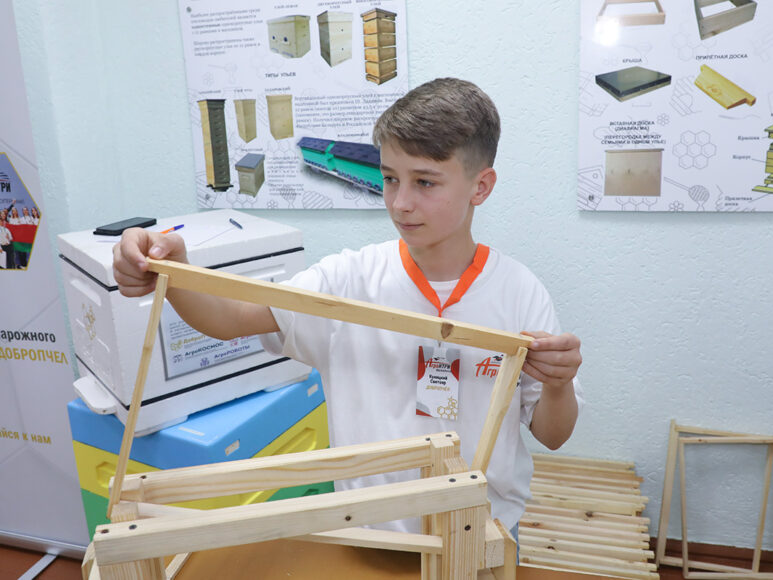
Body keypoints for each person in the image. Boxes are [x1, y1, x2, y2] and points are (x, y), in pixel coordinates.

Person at [113, 78, 583, 536]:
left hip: (483, 535)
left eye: (424, 182)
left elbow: (553, 433)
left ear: (480, 187)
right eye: (390, 178)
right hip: (370, 537)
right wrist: (174, 273)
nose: (400, 203)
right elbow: (231, 318)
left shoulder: (520, 292)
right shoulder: (346, 279)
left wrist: (558, 384)